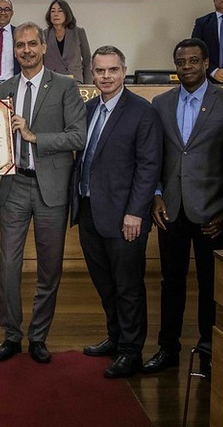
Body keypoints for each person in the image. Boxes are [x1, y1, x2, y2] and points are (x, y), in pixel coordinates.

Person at [142, 38, 223, 378]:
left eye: (193, 61)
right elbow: (154, 155)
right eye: (181, 61)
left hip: (212, 211)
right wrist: (156, 193)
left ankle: (208, 351)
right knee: (170, 282)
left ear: (205, 63)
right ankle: (167, 349)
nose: (186, 66)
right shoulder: (160, 102)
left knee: (210, 283)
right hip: (169, 209)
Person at [0, 22, 86, 364]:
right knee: (8, 267)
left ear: (44, 47)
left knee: (50, 268)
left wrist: (34, 137)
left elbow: (79, 136)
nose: (27, 50)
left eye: (33, 44)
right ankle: (12, 335)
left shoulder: (64, 86)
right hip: (14, 186)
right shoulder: (3, 88)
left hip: (51, 189)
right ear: (14, 49)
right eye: (20, 45)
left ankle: (39, 336)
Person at [70, 45, 162, 378]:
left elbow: (148, 165)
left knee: (128, 286)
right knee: (105, 283)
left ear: (124, 71)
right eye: (99, 70)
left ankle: (130, 352)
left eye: (112, 70)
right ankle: (115, 337)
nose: (106, 76)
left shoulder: (142, 111)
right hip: (90, 210)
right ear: (92, 74)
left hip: (126, 216)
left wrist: (137, 212)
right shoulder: (88, 107)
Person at [43, 0, 92, 84]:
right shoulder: (44, 34)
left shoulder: (78, 32)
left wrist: (88, 84)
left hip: (75, 81)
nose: (56, 14)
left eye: (60, 11)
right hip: (51, 81)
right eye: (53, 11)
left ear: (66, 13)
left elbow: (87, 60)